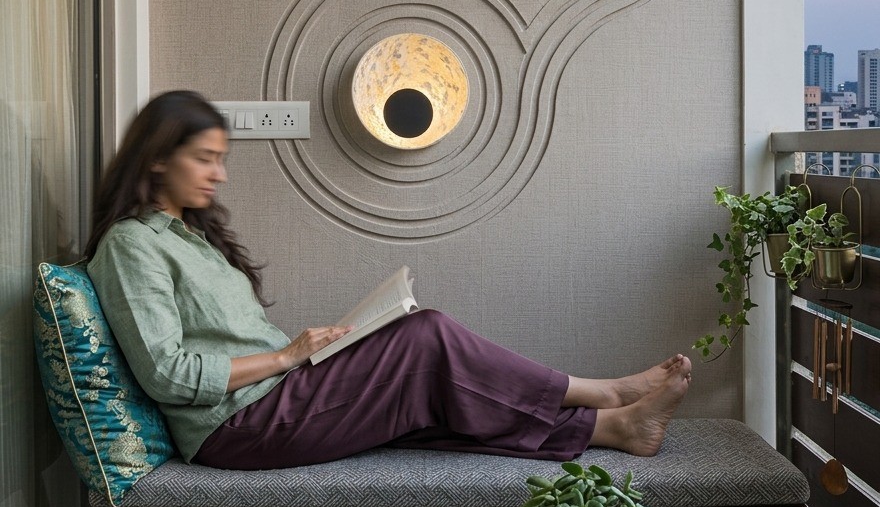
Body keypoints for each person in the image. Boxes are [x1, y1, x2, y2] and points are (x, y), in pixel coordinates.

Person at [85, 91, 691, 470]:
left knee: (433, 396)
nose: (218, 174)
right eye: (204, 158)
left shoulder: (193, 238)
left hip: (273, 397)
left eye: (222, 159)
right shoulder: (132, 246)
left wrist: (308, 355)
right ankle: (601, 394)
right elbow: (165, 373)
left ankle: (613, 428)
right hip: (237, 427)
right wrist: (285, 357)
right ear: (157, 157)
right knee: (426, 337)